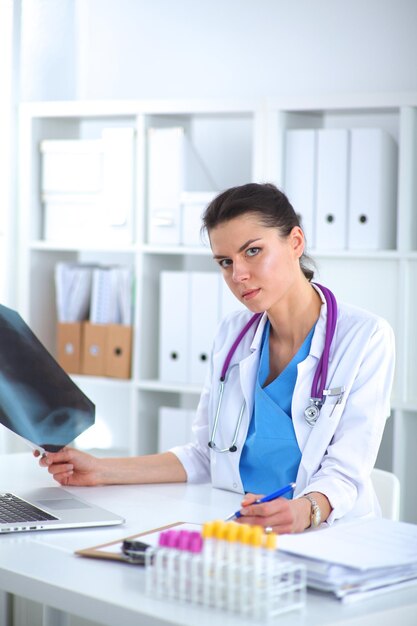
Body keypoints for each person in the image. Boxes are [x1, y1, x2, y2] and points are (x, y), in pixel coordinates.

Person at [37, 183, 395, 534]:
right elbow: (205, 454)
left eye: (252, 251)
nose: (238, 275)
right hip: (238, 523)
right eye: (225, 262)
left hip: (328, 533)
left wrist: (304, 510)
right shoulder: (233, 333)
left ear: (295, 243)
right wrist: (100, 470)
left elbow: (346, 471)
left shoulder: (365, 337)